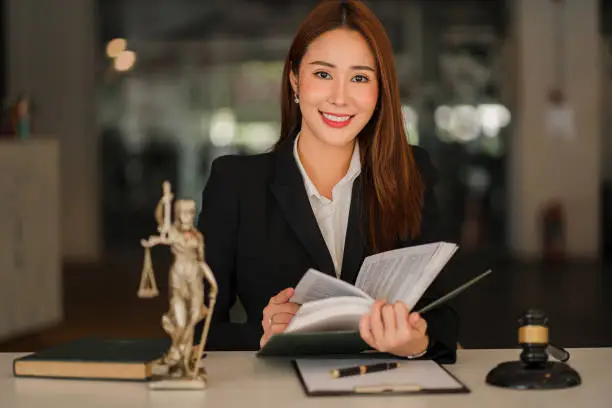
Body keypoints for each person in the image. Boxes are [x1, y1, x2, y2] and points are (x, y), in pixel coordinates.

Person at [195, 0, 458, 362]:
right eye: (323, 74)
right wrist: (264, 332)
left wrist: (415, 343)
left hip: (384, 393)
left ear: (380, 92)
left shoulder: (411, 172)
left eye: (360, 78)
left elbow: (443, 317)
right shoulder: (236, 184)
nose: (339, 97)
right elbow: (196, 330)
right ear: (293, 79)